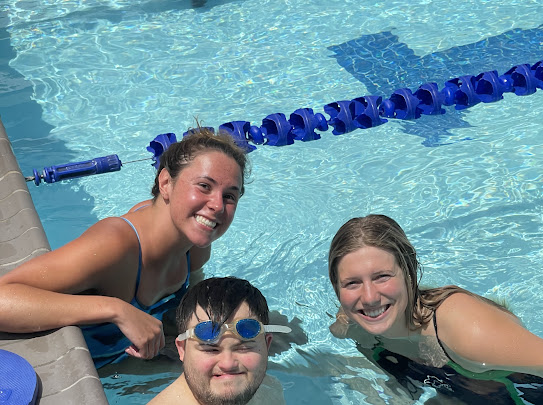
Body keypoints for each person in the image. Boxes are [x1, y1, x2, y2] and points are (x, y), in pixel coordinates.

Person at [0, 127, 248, 368]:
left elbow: (180, 312)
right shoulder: (115, 244)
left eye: (230, 196)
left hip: (131, 360)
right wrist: (116, 309)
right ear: (165, 183)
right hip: (79, 371)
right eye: (204, 186)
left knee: (256, 345)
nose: (217, 205)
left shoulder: (196, 248)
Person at [328, 214, 543, 404]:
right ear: (337, 288)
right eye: (352, 283)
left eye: (382, 276)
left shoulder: (465, 329)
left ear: (409, 272)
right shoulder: (352, 319)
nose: (369, 297)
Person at [148, 276, 290, 405]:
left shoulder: (269, 389)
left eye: (244, 348)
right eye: (211, 349)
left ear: (267, 345)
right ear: (182, 349)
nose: (228, 364)